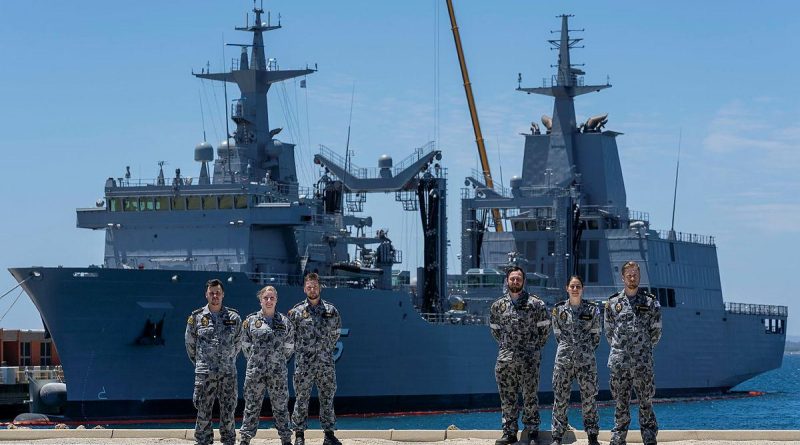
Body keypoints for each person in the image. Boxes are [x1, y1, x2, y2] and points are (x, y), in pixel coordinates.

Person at [489, 266, 550, 445]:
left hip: (530, 359)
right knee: (507, 397)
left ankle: (532, 433)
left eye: (518, 279)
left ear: (523, 281)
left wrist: (533, 348)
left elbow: (545, 329)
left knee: (530, 396)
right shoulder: (498, 306)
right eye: (512, 278)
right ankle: (509, 433)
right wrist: (509, 347)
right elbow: (495, 331)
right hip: (505, 359)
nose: (515, 281)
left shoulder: (536, 304)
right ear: (507, 281)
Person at [604, 261, 662, 445]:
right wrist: (622, 350)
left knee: (646, 402)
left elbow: (656, 332)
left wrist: (642, 349)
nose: (632, 276)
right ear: (622, 277)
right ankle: (618, 439)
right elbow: (609, 332)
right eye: (628, 274)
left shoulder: (650, 302)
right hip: (620, 363)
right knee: (620, 404)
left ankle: (649, 438)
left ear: (639, 276)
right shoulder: (612, 303)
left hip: (642, 363)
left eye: (635, 273)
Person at [185, 278, 242, 445]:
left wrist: (228, 359)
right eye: (212, 293)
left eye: (218, 293)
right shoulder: (196, 317)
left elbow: (238, 343)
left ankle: (228, 441)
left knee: (228, 411)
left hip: (227, 373)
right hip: (205, 373)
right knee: (203, 410)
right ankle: (203, 441)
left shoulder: (234, 317)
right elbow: (190, 344)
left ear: (223, 294)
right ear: (206, 294)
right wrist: (202, 363)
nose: (215, 296)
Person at [289, 273, 342, 445]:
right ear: (305, 289)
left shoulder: (331, 311)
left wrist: (324, 350)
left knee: (327, 397)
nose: (312, 290)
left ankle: (329, 434)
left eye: (315, 286)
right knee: (301, 398)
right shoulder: (296, 312)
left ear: (320, 288)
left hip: (325, 363)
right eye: (309, 287)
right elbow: (291, 337)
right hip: (304, 365)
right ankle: (299, 435)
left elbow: (336, 334)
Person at [239, 286, 295, 445]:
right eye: (266, 298)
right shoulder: (250, 321)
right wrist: (257, 360)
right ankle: (245, 439)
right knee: (251, 406)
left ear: (276, 300)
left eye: (272, 298)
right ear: (260, 300)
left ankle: (285, 439)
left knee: (281, 407)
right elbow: (245, 345)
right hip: (255, 373)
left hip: (277, 373)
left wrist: (276, 360)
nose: (269, 301)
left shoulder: (284, 322)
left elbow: (289, 347)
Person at [550, 275, 601, 445]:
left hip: (586, 361)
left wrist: (583, 350)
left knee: (589, 397)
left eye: (578, 286)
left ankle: (592, 435)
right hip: (564, 360)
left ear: (582, 288)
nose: (575, 289)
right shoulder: (558, 310)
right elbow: (557, 334)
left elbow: (596, 335)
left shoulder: (592, 310)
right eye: (572, 286)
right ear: (567, 288)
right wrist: (569, 349)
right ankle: (557, 436)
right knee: (560, 397)